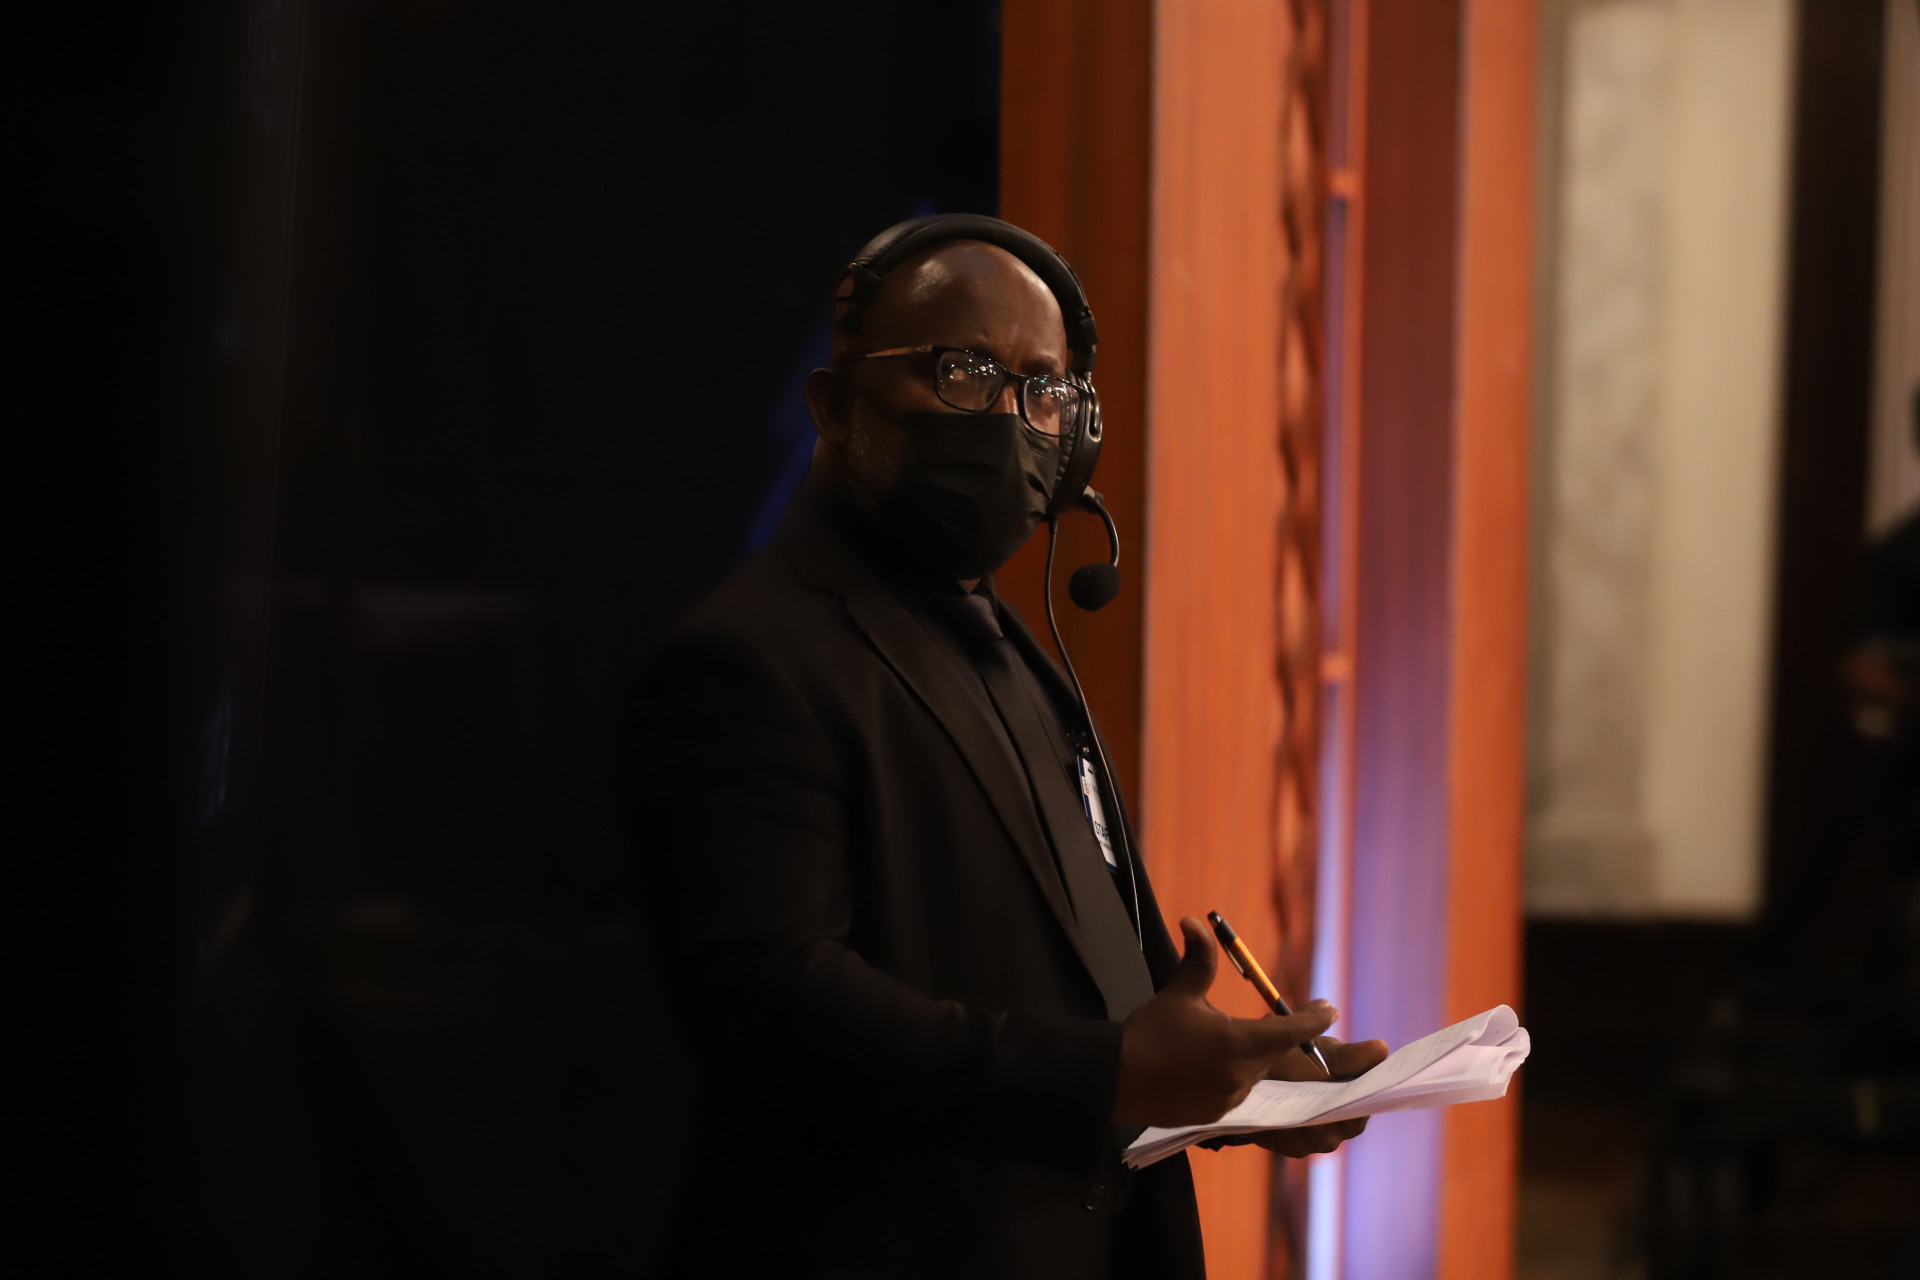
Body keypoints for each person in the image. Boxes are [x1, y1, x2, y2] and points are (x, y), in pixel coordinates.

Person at [623, 217, 1384, 1279]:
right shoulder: (746, 659)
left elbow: (1055, 978)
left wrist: (1235, 1082)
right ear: (833, 406)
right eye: (964, 372)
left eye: (1045, 390)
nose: (1010, 418)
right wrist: (1111, 1072)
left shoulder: (1014, 647)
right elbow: (772, 1008)